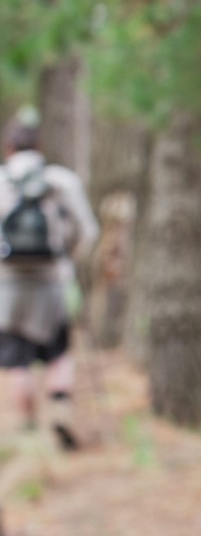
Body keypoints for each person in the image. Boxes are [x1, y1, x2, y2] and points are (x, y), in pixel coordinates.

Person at [0, 109, 99, 450]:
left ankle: (27, 425)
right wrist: (68, 257)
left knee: (16, 357)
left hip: (7, 283)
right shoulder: (61, 180)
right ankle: (59, 411)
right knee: (58, 351)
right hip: (52, 279)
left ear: (8, 148)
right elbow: (87, 230)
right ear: (39, 146)